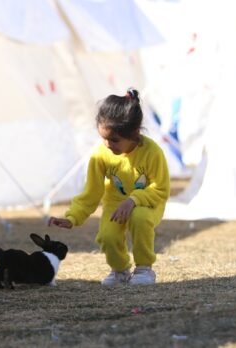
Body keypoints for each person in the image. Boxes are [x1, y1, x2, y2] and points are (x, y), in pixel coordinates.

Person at [48, 88, 170, 286]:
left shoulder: (152, 153)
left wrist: (133, 201)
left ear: (135, 134)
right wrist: (73, 217)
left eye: (114, 140)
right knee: (107, 236)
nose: (107, 144)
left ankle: (144, 269)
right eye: (103, 137)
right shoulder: (100, 155)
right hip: (115, 204)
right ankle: (120, 271)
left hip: (148, 203)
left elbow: (161, 189)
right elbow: (92, 193)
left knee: (139, 219)